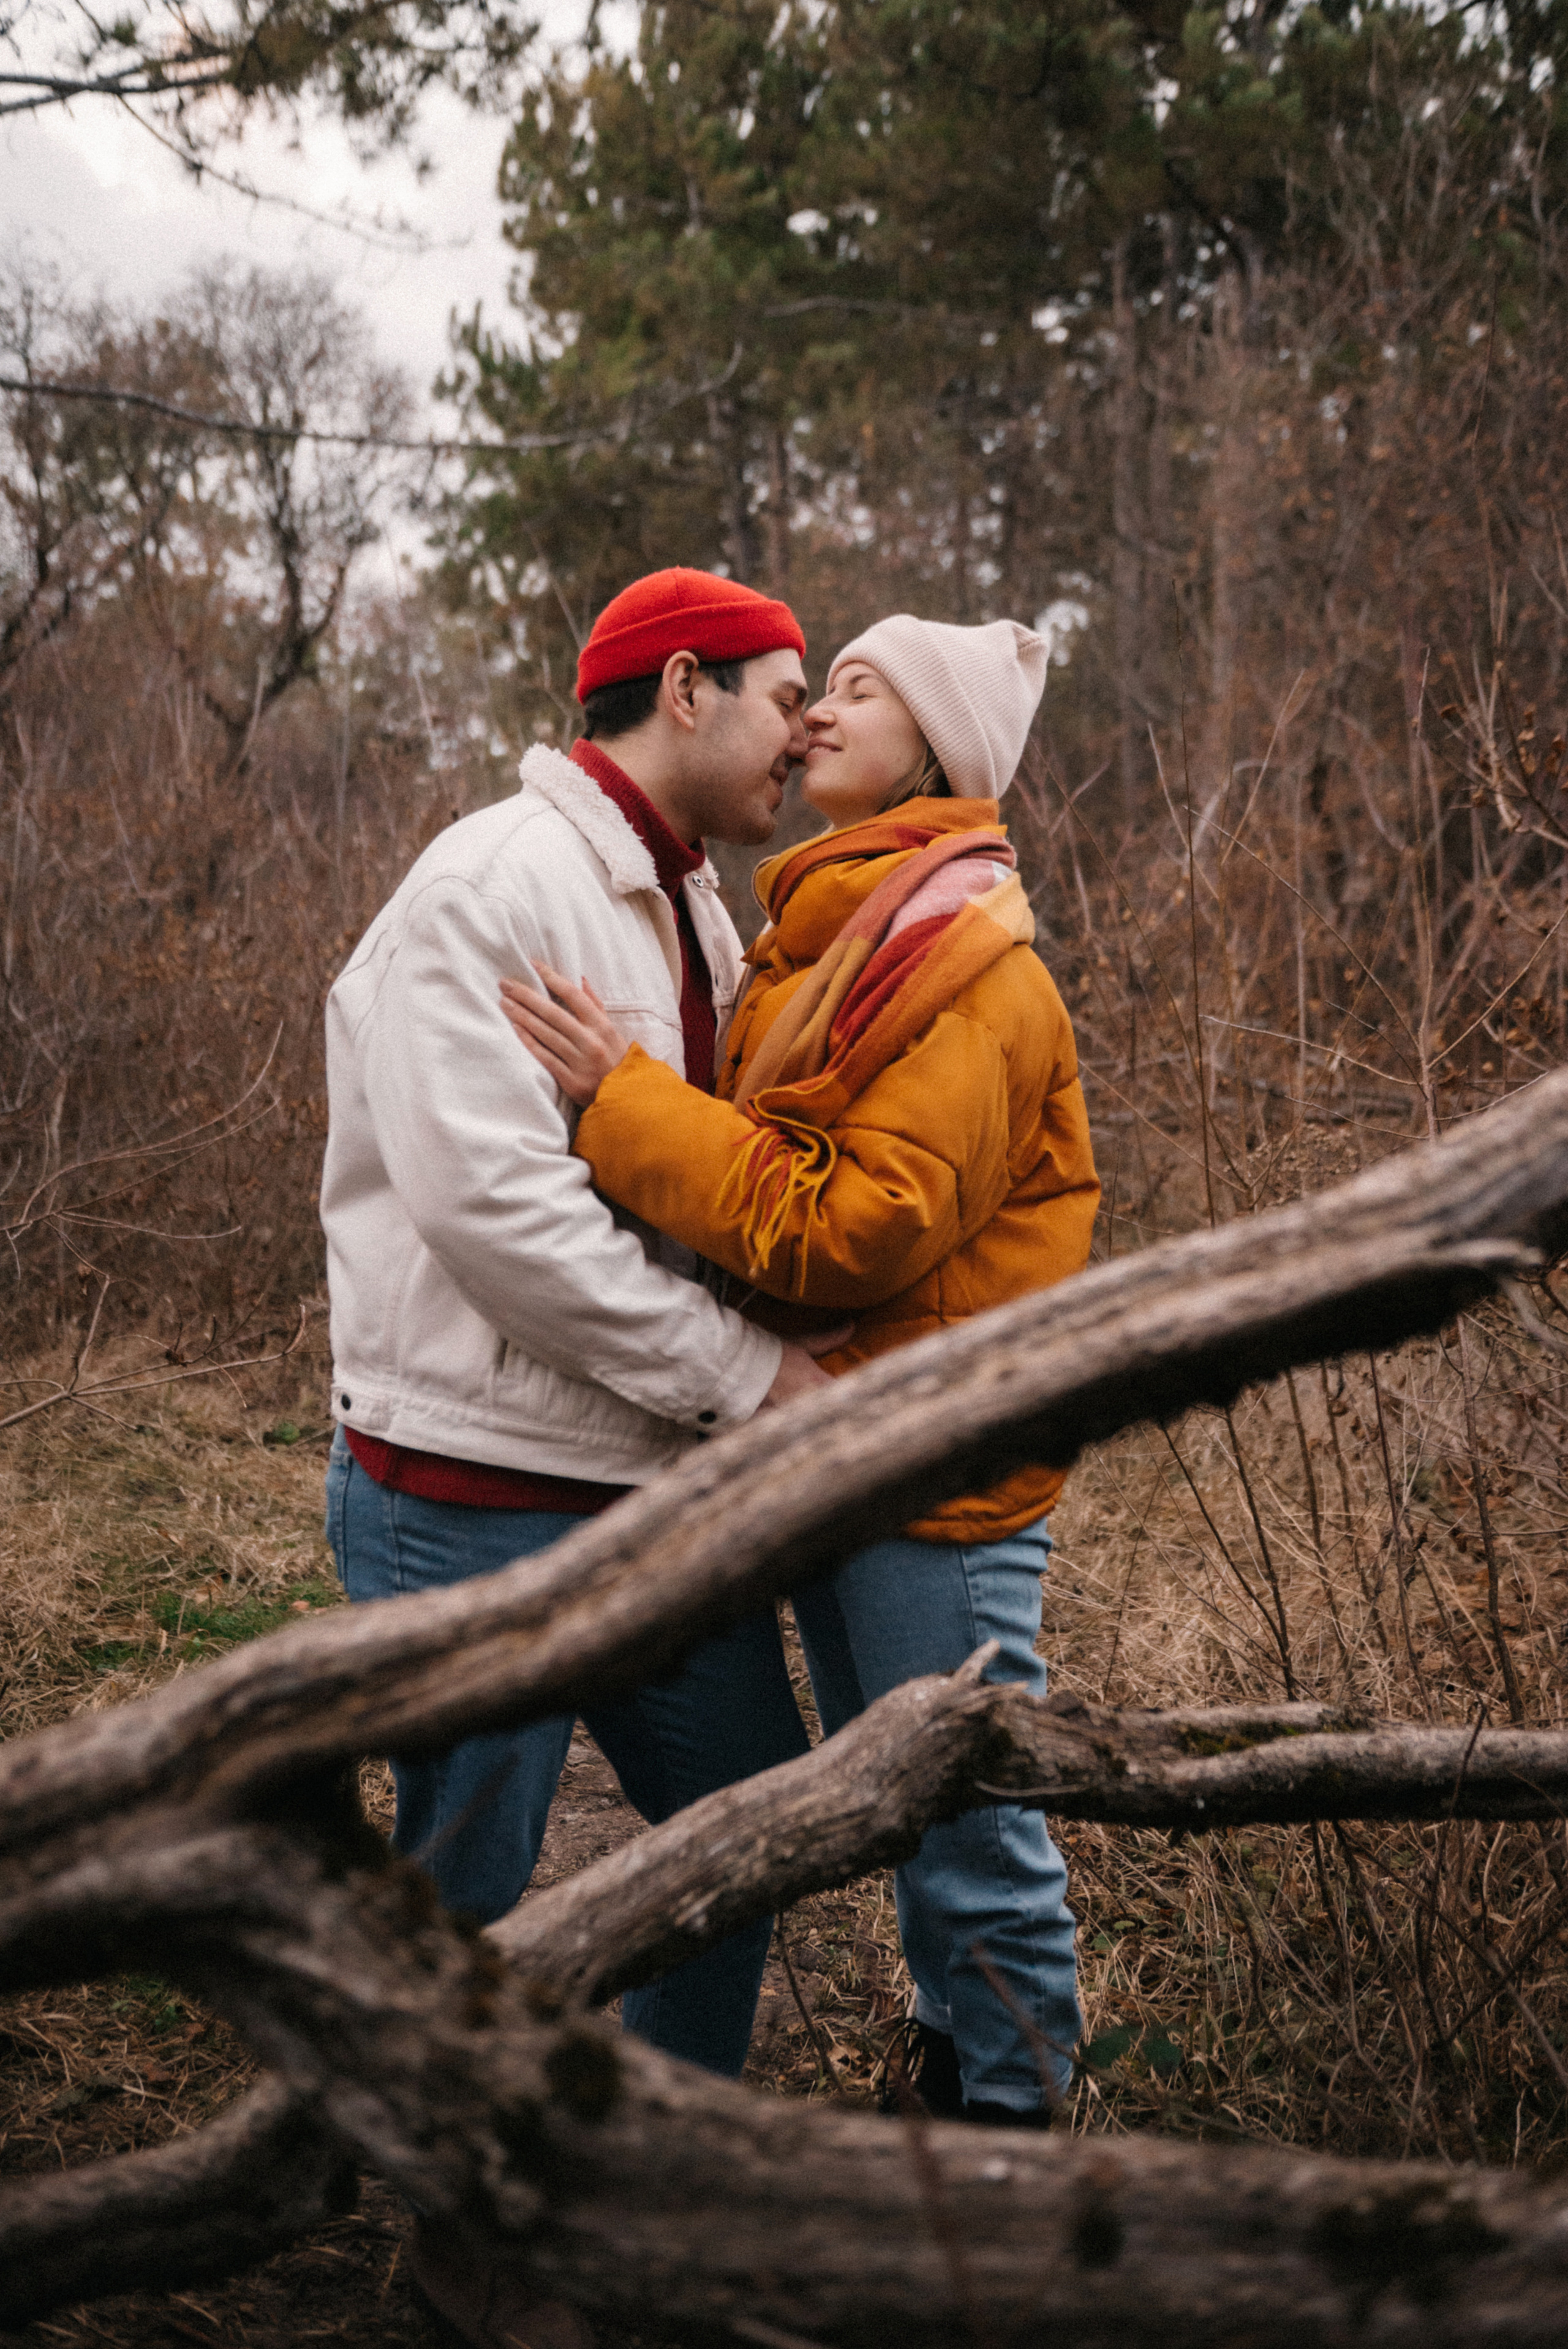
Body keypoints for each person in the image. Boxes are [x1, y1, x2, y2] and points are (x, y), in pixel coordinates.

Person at [320, 567, 843, 2345]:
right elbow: (504, 1224)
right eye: (784, 696)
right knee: (467, 1885)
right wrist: (748, 1377)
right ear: (684, 691)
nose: (808, 734)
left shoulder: (693, 915)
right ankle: (451, 2235)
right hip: (466, 1494)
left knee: (747, 1821)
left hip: (646, 1494)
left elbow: (692, 1171)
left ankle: (644, 2187)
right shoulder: (493, 884)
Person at [503, 613, 1101, 2128]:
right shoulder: (833, 933)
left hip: (938, 1471)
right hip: (856, 1447)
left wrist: (620, 1106)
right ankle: (950, 2091)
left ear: (940, 749)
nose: (816, 714)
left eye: (857, 689)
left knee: (970, 1829)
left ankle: (1016, 2171)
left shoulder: (970, 966)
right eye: (816, 685)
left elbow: (855, 1224)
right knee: (912, 1816)